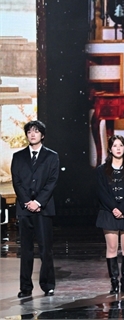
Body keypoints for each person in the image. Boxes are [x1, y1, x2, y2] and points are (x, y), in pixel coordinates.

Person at [11, 120, 59, 298]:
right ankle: (25, 287)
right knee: (26, 250)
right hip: (24, 210)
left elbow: (52, 181)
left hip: (43, 209)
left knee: (46, 249)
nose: (32, 134)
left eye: (36, 131)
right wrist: (27, 202)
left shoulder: (51, 156)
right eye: (29, 131)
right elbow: (17, 181)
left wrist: (38, 202)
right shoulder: (18, 156)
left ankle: (48, 285)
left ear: (42, 135)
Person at [96, 135, 124, 294]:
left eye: (121, 145)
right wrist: (114, 208)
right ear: (110, 149)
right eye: (115, 145)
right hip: (109, 213)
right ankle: (114, 283)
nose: (118, 148)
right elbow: (101, 192)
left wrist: (123, 209)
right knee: (112, 247)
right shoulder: (101, 170)